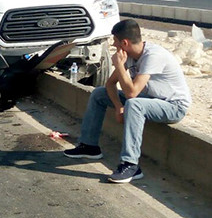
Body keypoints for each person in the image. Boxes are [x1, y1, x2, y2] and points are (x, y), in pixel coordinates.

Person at [64, 19, 191, 183]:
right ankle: (89, 146)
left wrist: (119, 66)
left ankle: (130, 165)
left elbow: (132, 93)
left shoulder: (153, 56)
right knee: (99, 94)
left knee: (133, 104)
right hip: (148, 100)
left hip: (173, 106)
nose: (114, 47)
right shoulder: (129, 55)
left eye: (115, 43)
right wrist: (118, 106)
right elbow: (109, 84)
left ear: (124, 43)